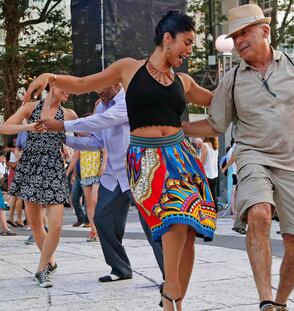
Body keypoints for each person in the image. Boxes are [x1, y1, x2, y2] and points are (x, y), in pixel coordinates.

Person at [25, 11, 216, 304]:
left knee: (188, 231)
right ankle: (171, 292)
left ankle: (172, 299)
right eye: (187, 42)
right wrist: (50, 77)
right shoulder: (129, 69)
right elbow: (83, 83)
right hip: (145, 160)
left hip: (180, 156)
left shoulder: (184, 81)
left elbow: (218, 102)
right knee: (176, 220)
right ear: (168, 38)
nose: (190, 51)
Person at [182, 4, 294, 311]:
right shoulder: (233, 79)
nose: (238, 42)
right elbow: (216, 124)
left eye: (244, 34)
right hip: (254, 155)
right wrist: (176, 128)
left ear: (265, 32)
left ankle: (279, 303)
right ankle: (265, 299)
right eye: (234, 37)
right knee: (260, 214)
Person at [38, 84, 165, 285]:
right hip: (113, 176)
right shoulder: (100, 106)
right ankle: (120, 268)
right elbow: (96, 141)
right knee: (103, 219)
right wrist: (64, 138)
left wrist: (62, 126)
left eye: (101, 87)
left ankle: (171, 278)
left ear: (116, 84)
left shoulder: (127, 102)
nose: (97, 91)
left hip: (137, 173)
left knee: (153, 227)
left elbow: (103, 120)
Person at [0, 76, 77, 288]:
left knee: (57, 225)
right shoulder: (31, 108)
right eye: (66, 87)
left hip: (53, 168)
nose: (69, 92)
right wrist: (29, 127)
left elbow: (84, 134)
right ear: (53, 85)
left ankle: (41, 269)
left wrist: (71, 148)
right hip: (30, 167)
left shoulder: (68, 114)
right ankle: (50, 262)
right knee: (35, 224)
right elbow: (4, 127)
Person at [200, 137, 219, 207]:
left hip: (206, 174)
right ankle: (215, 212)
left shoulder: (205, 145)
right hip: (214, 174)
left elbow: (201, 162)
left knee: (205, 197)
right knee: (213, 196)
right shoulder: (215, 146)